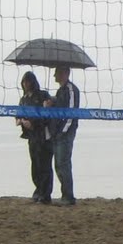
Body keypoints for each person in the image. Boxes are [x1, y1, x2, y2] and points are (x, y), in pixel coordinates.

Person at [16, 71, 54, 204]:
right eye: (24, 82)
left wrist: (33, 123)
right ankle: (38, 191)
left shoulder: (42, 95)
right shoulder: (23, 99)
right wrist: (22, 121)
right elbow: (18, 115)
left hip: (43, 135)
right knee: (35, 165)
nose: (26, 84)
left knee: (45, 165)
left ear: (33, 82)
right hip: (31, 136)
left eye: (28, 81)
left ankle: (45, 194)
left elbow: (47, 114)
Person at [50, 64, 80, 206]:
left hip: (65, 133)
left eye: (57, 72)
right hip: (57, 132)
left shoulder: (71, 89)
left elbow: (71, 113)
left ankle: (68, 196)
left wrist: (63, 131)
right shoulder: (60, 91)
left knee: (63, 163)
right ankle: (65, 195)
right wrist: (52, 102)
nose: (54, 75)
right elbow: (59, 108)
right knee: (58, 164)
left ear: (65, 73)